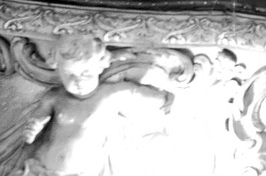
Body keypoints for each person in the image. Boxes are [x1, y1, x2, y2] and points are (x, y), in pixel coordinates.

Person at [16, 35, 172, 176]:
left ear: (100, 67)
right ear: (58, 71)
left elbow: (145, 95)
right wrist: (33, 127)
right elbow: (39, 116)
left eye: (86, 73)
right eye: (70, 74)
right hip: (43, 169)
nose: (78, 81)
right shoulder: (56, 97)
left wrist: (164, 98)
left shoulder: (110, 94)